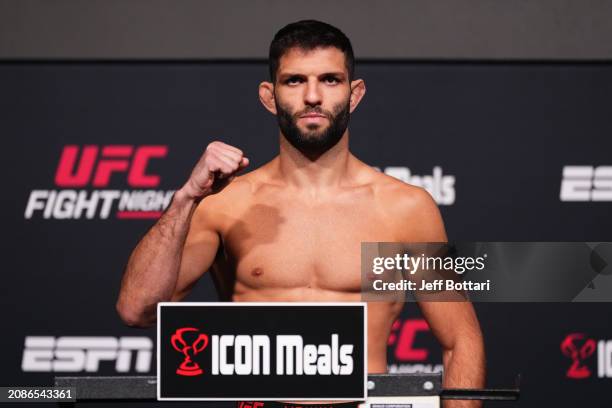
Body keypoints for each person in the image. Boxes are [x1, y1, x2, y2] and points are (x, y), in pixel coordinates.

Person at [116, 20, 485, 408]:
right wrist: (186, 199)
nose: (312, 96)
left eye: (330, 80)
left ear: (354, 93)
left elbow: (461, 340)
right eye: (294, 81)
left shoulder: (404, 208)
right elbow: (136, 310)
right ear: (269, 95)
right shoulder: (226, 202)